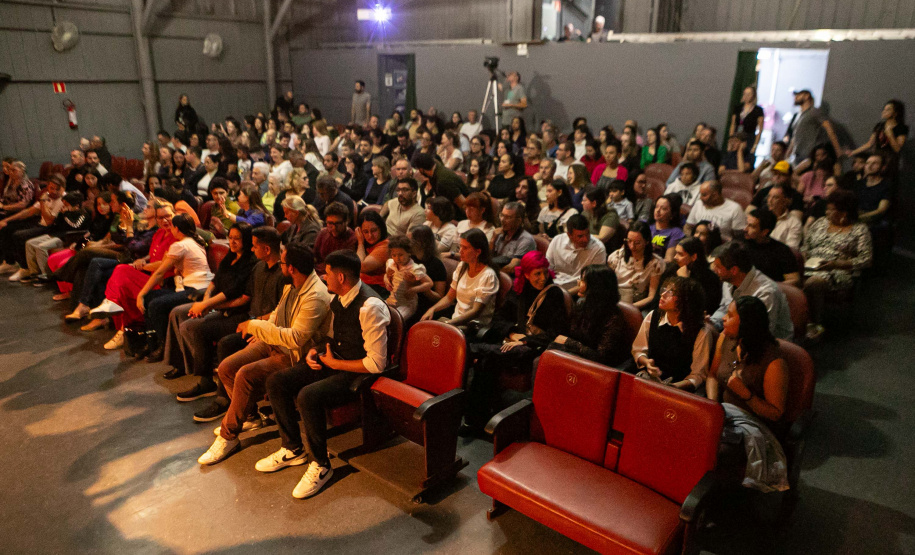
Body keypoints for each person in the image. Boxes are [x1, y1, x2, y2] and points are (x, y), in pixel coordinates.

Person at [197, 243, 331, 466]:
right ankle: (249, 417)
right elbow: (278, 315)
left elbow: (296, 338)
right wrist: (260, 327)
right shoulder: (292, 284)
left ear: (292, 268)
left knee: (245, 374)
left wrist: (257, 327)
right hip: (274, 341)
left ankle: (228, 435)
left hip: (295, 354)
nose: (280, 266)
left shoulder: (315, 296)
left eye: (283, 263)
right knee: (226, 368)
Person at [462, 251, 569, 433]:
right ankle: (477, 419)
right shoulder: (518, 290)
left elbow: (555, 332)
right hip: (510, 343)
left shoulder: (553, 294)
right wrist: (512, 334)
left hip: (534, 347)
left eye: (544, 272)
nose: (542, 278)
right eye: (537, 274)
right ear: (526, 274)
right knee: (486, 362)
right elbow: (499, 319)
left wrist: (525, 341)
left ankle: (470, 350)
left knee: (487, 357)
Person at [163, 223, 257, 398]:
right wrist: (205, 301)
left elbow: (237, 294)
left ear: (247, 240)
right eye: (231, 238)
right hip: (219, 306)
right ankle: (196, 370)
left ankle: (206, 379)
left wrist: (208, 306)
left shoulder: (250, 262)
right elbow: (215, 281)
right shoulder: (230, 257)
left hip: (239, 313)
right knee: (184, 319)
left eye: (238, 238)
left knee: (194, 327)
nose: (233, 242)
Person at [707, 296, 790, 492]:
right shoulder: (725, 338)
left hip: (753, 423)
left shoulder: (774, 361)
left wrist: (746, 395)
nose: (724, 319)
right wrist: (712, 407)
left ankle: (713, 504)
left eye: (730, 315)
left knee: (714, 450)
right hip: (723, 412)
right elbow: (712, 375)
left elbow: (775, 413)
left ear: (746, 324)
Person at [802, 189, 872, 341]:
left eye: (830, 209)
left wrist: (835, 264)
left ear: (844, 213)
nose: (826, 212)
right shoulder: (820, 223)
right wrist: (802, 257)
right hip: (809, 265)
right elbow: (805, 245)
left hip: (838, 271)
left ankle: (814, 324)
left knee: (814, 282)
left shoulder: (859, 230)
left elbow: (866, 259)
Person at [632, 276, 713, 391]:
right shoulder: (653, 316)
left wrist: (672, 387)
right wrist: (647, 362)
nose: (663, 294)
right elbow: (638, 349)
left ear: (686, 301)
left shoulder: (700, 332)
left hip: (677, 389)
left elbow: (697, 375)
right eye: (664, 289)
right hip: (648, 380)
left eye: (671, 293)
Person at [709, 241, 794, 341]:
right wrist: (711, 323)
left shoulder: (766, 292)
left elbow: (761, 334)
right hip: (738, 336)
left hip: (770, 345)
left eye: (718, 267)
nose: (714, 270)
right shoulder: (728, 281)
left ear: (734, 270)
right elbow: (725, 308)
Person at [548, 265, 630, 367]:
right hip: (577, 357)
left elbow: (601, 357)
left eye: (583, 281)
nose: (578, 283)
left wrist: (569, 342)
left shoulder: (613, 317)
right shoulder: (582, 305)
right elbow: (570, 333)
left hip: (597, 368)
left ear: (596, 287)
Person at [421, 228, 499, 326]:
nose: (460, 251)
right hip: (455, 321)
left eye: (465, 248)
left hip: (472, 326)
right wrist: (432, 309)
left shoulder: (488, 275)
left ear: (478, 252)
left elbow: (476, 311)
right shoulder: (462, 266)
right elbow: (449, 298)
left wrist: (449, 323)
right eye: (460, 247)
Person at [607, 220, 665, 308]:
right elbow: (608, 286)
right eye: (629, 241)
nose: (632, 246)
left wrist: (629, 308)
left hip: (637, 305)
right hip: (615, 301)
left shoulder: (655, 263)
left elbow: (651, 296)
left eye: (637, 243)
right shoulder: (616, 256)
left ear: (647, 241)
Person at [545, 214, 606, 293]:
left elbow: (593, 281)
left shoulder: (598, 248)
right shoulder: (557, 240)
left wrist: (566, 294)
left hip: (580, 291)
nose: (585, 239)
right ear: (569, 235)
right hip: (554, 286)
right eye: (580, 236)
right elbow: (548, 268)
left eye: (587, 234)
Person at [784, 89, 842, 169]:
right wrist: (788, 154)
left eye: (799, 95)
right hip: (797, 156)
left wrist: (837, 150)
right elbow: (795, 136)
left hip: (809, 156)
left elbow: (829, 129)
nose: (796, 97)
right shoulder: (798, 115)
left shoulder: (814, 112)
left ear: (807, 96)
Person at [744, 209, 801, 286]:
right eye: (746, 224)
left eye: (751, 226)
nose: (745, 229)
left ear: (765, 232)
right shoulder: (739, 244)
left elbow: (794, 279)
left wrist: (770, 287)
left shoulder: (781, 250)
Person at [383, 235, 432, 320]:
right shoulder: (391, 263)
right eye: (394, 255)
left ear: (409, 252)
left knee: (396, 319)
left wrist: (414, 289)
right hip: (392, 300)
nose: (397, 258)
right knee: (376, 311)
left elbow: (429, 283)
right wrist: (387, 280)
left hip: (407, 304)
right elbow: (386, 275)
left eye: (400, 255)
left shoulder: (414, 268)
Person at [491, 201, 537, 274]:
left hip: (515, 278)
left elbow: (512, 267)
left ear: (518, 221)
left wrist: (489, 271)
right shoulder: (499, 234)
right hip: (498, 273)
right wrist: (493, 240)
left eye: (508, 217)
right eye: (502, 215)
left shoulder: (525, 240)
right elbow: (489, 258)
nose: (502, 220)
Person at [354, 209, 390, 295]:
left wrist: (360, 243)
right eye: (365, 232)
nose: (370, 235)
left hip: (378, 289)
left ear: (381, 228)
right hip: (363, 285)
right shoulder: (366, 244)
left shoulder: (385, 246)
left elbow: (361, 266)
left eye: (374, 230)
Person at [764, 182, 803, 249]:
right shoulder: (761, 217)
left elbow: (791, 250)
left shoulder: (794, 223)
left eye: (775, 197)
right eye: (769, 196)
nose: (770, 200)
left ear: (785, 201)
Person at [730, 86, 765, 158]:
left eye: (749, 94)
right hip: (736, 138)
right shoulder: (737, 108)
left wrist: (755, 146)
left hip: (749, 139)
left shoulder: (758, 110)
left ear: (753, 95)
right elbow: (733, 124)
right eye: (745, 94)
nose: (746, 96)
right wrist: (731, 139)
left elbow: (760, 129)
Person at [650, 193, 685, 263]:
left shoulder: (676, 232)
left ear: (672, 214)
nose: (658, 210)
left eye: (663, 209)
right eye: (656, 207)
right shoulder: (645, 225)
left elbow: (669, 260)